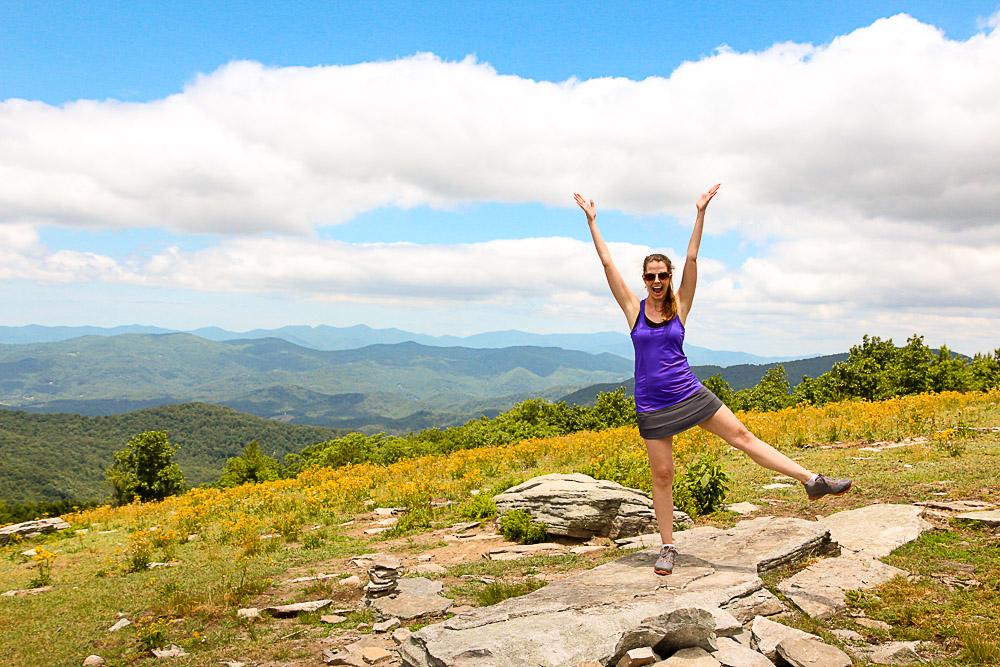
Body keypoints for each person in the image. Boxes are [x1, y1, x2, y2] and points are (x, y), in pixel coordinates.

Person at [573, 184, 852, 575]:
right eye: (651, 276)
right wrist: (592, 221)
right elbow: (606, 265)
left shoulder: (679, 306)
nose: (656, 281)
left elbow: (692, 256)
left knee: (742, 437)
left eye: (662, 275)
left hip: (688, 391)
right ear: (644, 278)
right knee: (663, 475)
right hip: (652, 402)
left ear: (669, 277)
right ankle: (668, 547)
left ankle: (812, 480)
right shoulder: (632, 309)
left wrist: (700, 212)